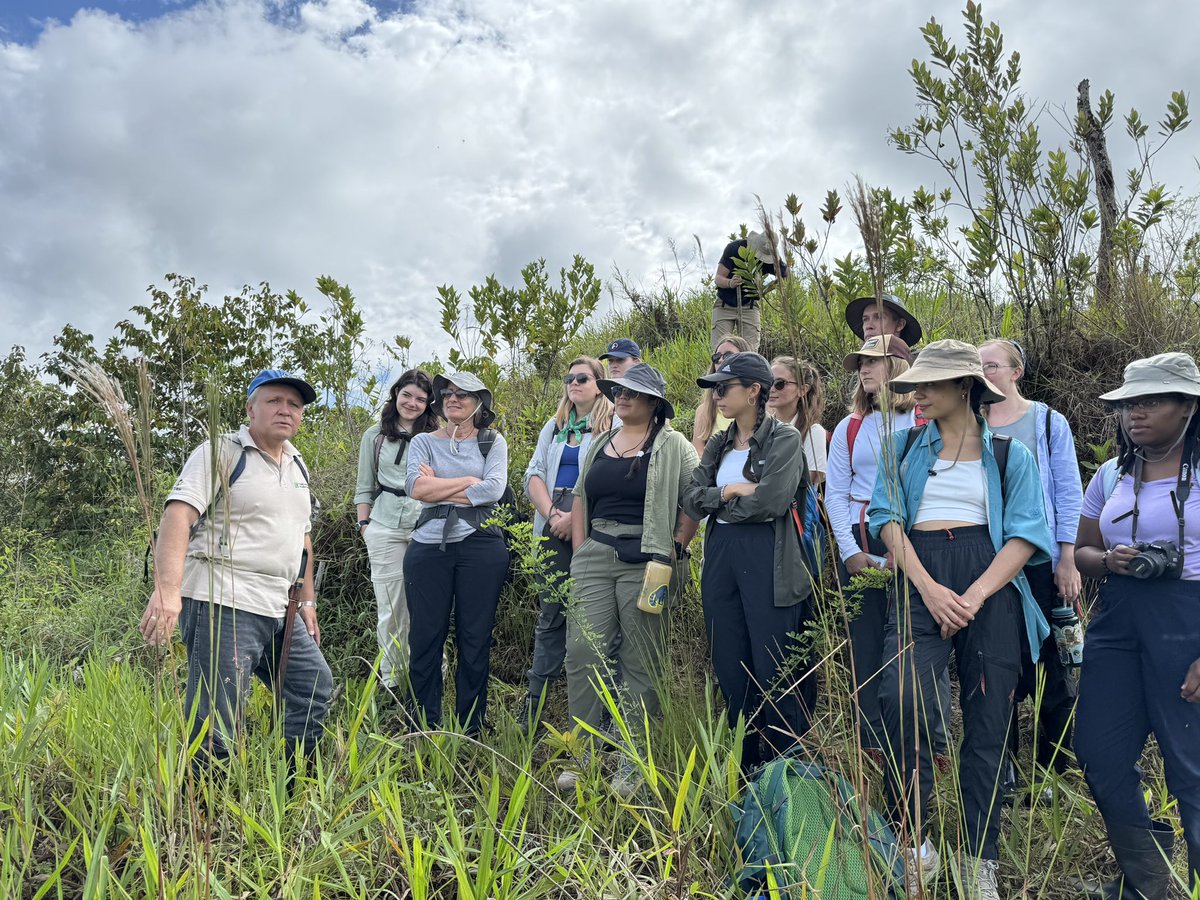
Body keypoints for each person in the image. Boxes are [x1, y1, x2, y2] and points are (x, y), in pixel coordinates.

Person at [867, 340, 1052, 899]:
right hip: (919, 575)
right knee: (902, 697)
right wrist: (929, 588)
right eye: (915, 385)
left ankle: (978, 857)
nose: (917, 393)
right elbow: (885, 518)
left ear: (966, 388)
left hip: (990, 585)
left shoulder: (1006, 455)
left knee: (989, 720)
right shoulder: (902, 449)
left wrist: (970, 596)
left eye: (931, 384)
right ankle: (913, 840)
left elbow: (1026, 533)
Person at [138, 369, 331, 781]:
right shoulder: (221, 452)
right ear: (250, 409)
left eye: (294, 405)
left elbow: (303, 540)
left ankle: (294, 786)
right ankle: (208, 813)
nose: (285, 410)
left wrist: (307, 600)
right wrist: (167, 592)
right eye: (274, 401)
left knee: (312, 687)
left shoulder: (298, 465)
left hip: (282, 604)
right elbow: (178, 515)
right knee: (218, 713)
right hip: (222, 599)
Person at [1074, 352, 1200, 899]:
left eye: (1151, 401)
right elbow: (1082, 550)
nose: (1135, 413)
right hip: (1120, 617)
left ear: (1189, 406)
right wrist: (1109, 561)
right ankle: (1150, 879)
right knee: (1098, 750)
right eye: (1128, 404)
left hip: (1189, 619)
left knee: (1190, 767)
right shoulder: (1113, 472)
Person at [559, 363, 698, 795]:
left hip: (651, 560)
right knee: (583, 651)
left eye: (633, 393)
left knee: (641, 658)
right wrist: (582, 548)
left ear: (655, 403)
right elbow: (582, 495)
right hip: (595, 556)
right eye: (618, 390)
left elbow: (695, 499)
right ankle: (582, 754)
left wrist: (675, 546)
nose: (622, 397)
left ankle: (633, 758)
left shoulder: (674, 444)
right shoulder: (602, 441)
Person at [683, 352, 816, 771]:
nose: (717, 397)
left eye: (724, 388)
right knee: (731, 664)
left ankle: (784, 772)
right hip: (721, 556)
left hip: (769, 559)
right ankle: (744, 769)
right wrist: (729, 494)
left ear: (754, 390)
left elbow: (772, 502)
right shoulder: (721, 442)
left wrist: (725, 505)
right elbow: (691, 496)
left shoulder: (785, 439)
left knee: (773, 668)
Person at [978, 339, 1082, 784]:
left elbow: (1067, 491)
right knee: (999, 663)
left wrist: (1068, 558)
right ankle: (1005, 770)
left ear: (1016, 372)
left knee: (1049, 665)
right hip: (987, 561)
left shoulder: (1046, 422)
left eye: (992, 365)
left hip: (1039, 562)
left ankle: (1053, 766)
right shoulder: (970, 420)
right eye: (978, 366)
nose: (984, 372)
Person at [825, 334, 921, 759]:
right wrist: (848, 551)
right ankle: (872, 741)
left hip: (913, 539)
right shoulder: (850, 427)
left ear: (897, 366)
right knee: (865, 644)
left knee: (911, 641)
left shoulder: (922, 421)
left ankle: (919, 738)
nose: (863, 369)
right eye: (860, 363)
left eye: (873, 361)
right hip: (861, 537)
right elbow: (836, 494)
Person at [403, 372, 509, 736]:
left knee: (475, 636)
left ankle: (471, 727)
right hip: (428, 547)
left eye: (463, 394)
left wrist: (441, 486)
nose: (453, 399)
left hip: (482, 546)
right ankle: (424, 725)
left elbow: (494, 489)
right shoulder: (422, 442)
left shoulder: (492, 442)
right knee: (424, 636)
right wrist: (466, 482)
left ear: (479, 402)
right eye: (447, 393)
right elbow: (416, 488)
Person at [520, 356, 614, 732]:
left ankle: (603, 714)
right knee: (551, 616)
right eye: (569, 378)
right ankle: (534, 708)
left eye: (582, 378)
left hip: (591, 523)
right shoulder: (555, 425)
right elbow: (534, 473)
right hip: (551, 520)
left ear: (599, 384)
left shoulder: (613, 424)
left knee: (597, 619)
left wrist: (575, 518)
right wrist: (553, 514)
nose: (573, 383)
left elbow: (609, 478)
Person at [354, 369, 439, 692]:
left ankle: (432, 670)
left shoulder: (437, 437)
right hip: (384, 526)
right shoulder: (374, 436)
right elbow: (364, 486)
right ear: (396, 394)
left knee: (427, 604)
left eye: (420, 398)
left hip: (425, 526)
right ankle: (391, 677)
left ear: (429, 403)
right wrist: (365, 526)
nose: (412, 403)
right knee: (390, 606)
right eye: (407, 395)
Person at [712, 230, 787, 352]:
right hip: (724, 305)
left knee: (750, 352)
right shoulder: (735, 248)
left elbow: (785, 276)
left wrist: (766, 289)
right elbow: (718, 278)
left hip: (750, 306)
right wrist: (730, 283)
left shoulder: (771, 259)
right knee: (720, 351)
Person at [767, 355, 828, 486]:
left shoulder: (813, 432)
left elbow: (807, 480)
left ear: (802, 390)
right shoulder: (762, 427)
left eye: (779, 384)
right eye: (768, 382)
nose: (771, 389)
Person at [692, 335, 751, 457]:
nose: (721, 360)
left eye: (728, 355)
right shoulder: (705, 410)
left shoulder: (761, 405)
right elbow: (698, 453)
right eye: (716, 357)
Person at [843, 293, 923, 346]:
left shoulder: (917, 364)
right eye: (865, 319)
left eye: (878, 317)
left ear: (900, 324)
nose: (868, 326)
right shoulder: (861, 366)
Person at [600, 338, 642, 428]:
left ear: (637, 362)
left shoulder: (646, 393)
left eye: (620, 360)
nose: (614, 365)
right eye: (610, 361)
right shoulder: (605, 392)